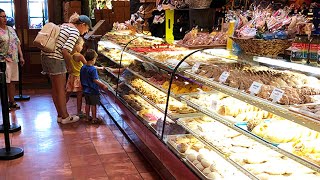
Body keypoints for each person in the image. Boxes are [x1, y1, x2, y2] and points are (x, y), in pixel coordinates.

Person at [41, 13, 92, 124]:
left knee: (55, 89)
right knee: (60, 90)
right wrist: (69, 66)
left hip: (46, 57)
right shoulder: (75, 32)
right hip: (56, 59)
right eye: (87, 28)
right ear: (82, 24)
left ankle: (60, 115)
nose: (86, 31)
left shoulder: (64, 25)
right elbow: (65, 51)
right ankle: (65, 117)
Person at [0, 9, 25, 111]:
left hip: (14, 59)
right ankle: (5, 103)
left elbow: (17, 42)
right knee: (6, 82)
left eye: (5, 16)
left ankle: (12, 101)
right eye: (2, 16)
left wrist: (21, 56)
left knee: (13, 81)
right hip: (3, 60)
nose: (5, 18)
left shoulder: (11, 29)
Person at [80, 49, 108, 124]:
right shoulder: (93, 70)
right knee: (93, 105)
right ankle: (94, 118)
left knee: (87, 104)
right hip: (93, 90)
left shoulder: (83, 67)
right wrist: (103, 85)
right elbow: (95, 80)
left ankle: (87, 117)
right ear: (93, 59)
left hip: (85, 89)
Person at [66, 37, 86, 117]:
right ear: (76, 45)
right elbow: (87, 64)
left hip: (71, 76)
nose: (82, 47)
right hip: (78, 77)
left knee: (67, 93)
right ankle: (79, 111)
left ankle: (62, 109)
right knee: (79, 95)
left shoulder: (68, 54)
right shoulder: (79, 55)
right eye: (81, 45)